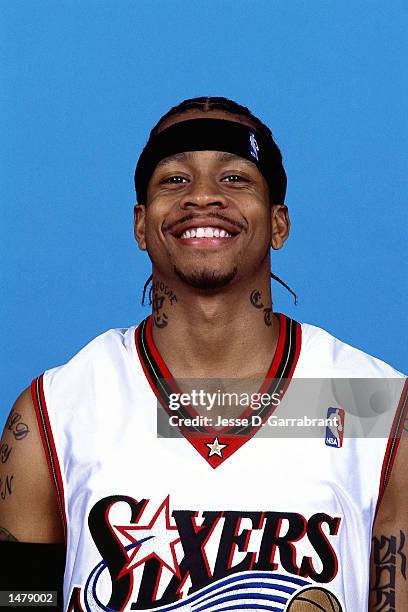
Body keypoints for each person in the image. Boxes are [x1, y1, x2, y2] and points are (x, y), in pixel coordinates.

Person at [0, 96, 406, 612]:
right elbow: (16, 599)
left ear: (279, 223)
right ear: (141, 225)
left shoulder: (372, 403)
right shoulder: (55, 410)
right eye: (175, 179)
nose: (204, 197)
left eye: (235, 178)